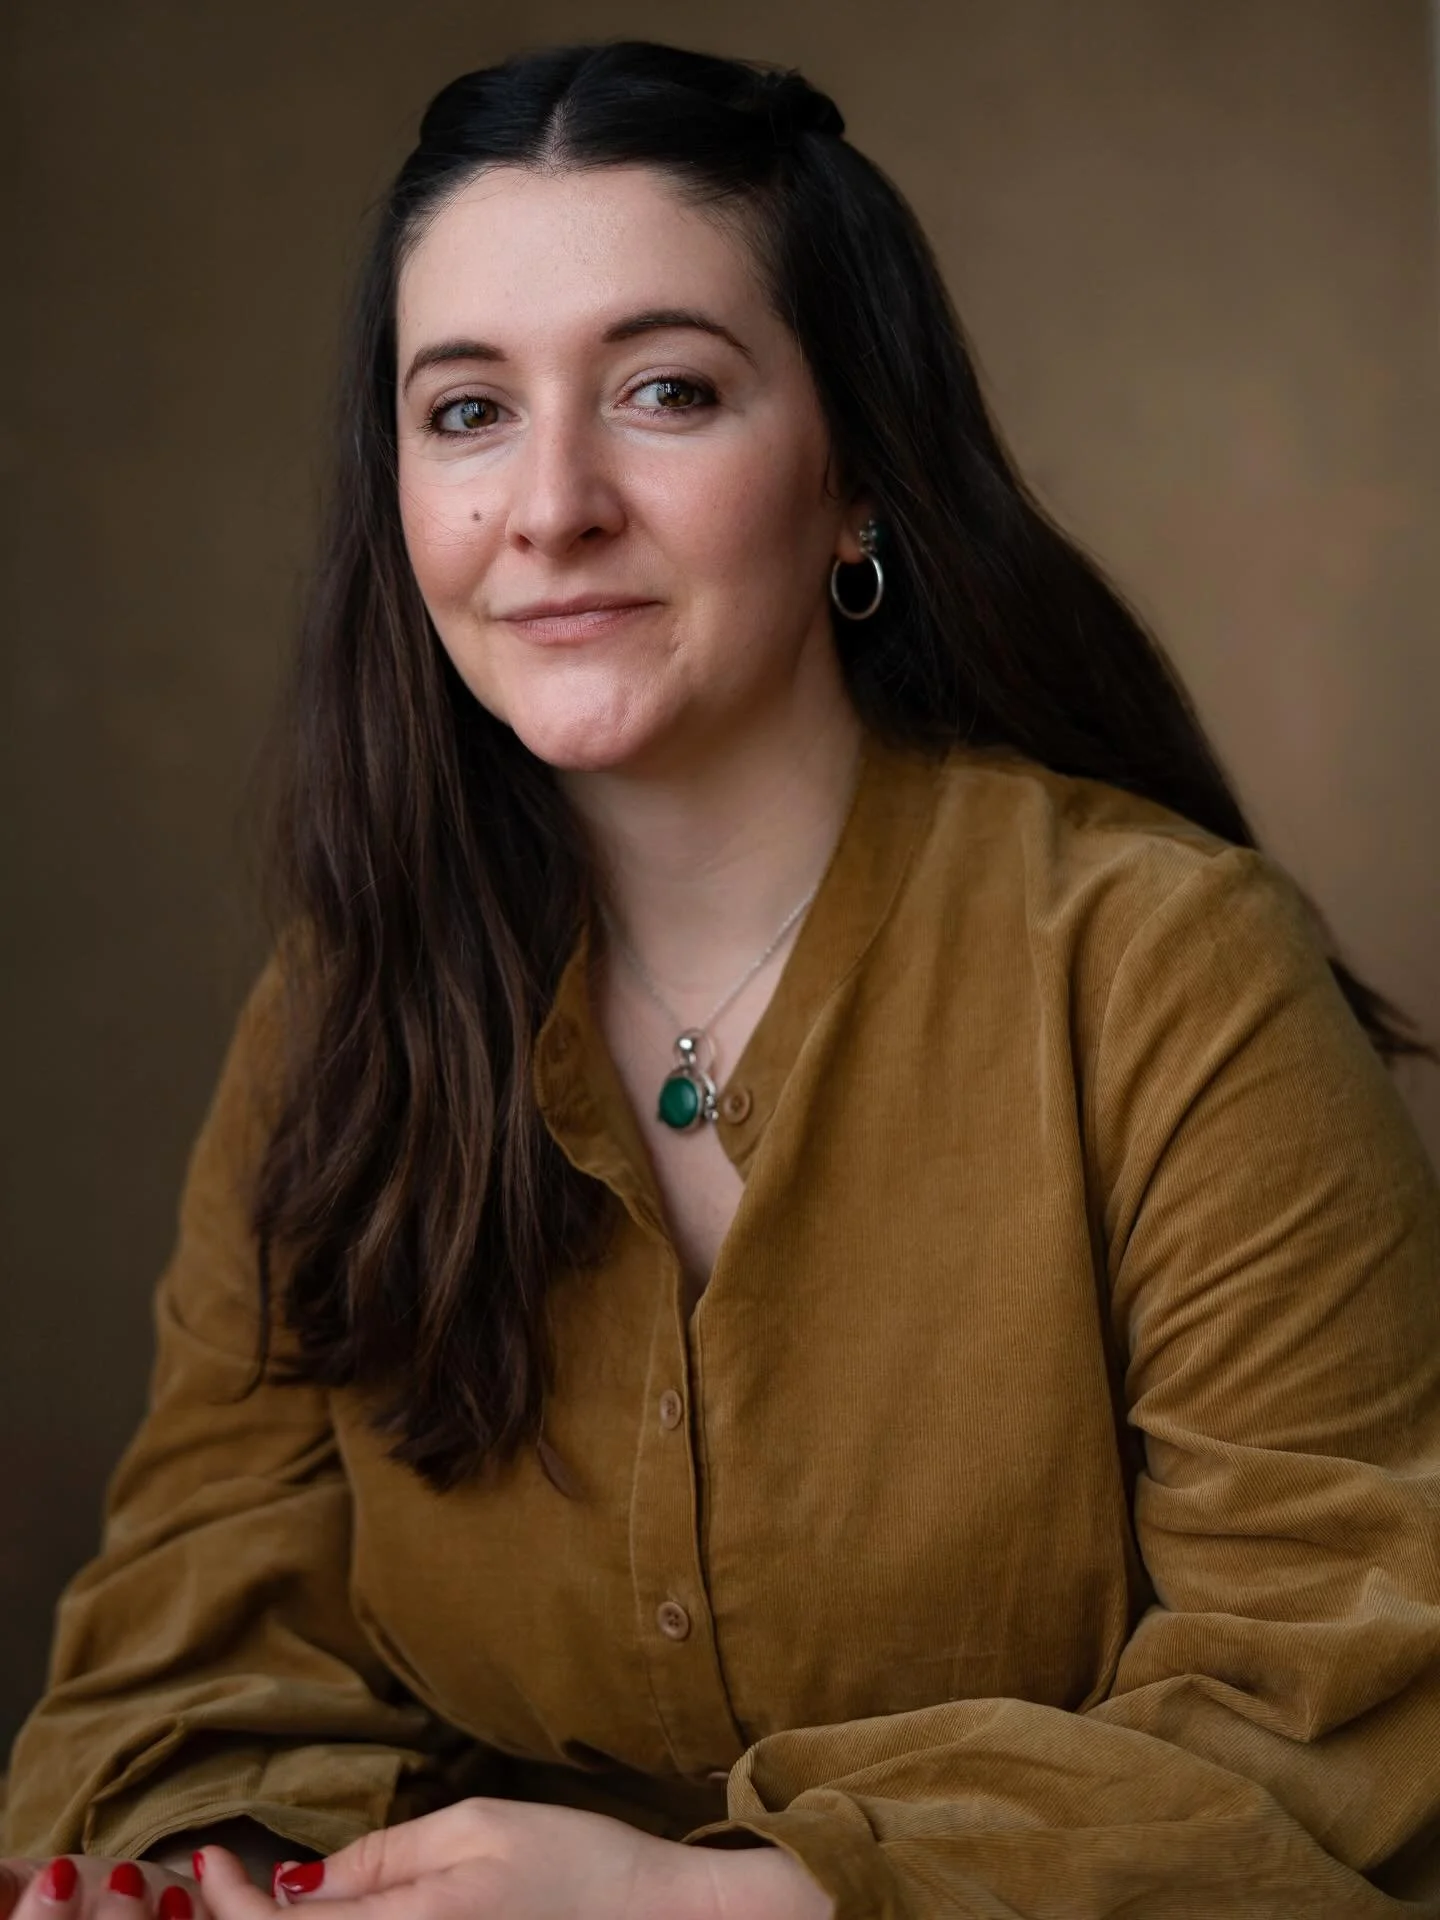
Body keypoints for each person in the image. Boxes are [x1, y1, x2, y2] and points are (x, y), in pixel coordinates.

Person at [4, 35, 1439, 1920]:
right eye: (465, 413)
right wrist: (210, 1882)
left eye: (666, 390)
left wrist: (710, 1903)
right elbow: (185, 1654)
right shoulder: (335, 1012)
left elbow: (1343, 1706)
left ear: (853, 478)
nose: (552, 504)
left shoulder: (1165, 970)